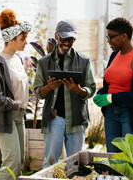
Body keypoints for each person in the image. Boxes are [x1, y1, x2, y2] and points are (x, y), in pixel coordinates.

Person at [33, 20, 96, 168]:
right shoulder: (43, 63)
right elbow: (38, 92)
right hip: (54, 118)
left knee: (75, 164)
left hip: (76, 119)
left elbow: (91, 88)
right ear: (56, 36)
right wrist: (48, 87)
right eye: (64, 39)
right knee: (50, 161)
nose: (67, 43)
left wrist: (78, 90)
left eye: (71, 39)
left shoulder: (84, 61)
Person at [93, 17, 133, 153]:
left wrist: (111, 98)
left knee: (131, 160)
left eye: (111, 37)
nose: (108, 41)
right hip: (110, 113)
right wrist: (101, 94)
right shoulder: (114, 56)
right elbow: (110, 85)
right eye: (107, 37)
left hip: (131, 115)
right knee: (113, 158)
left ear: (123, 36)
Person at [0, 9, 31, 179]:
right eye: (22, 39)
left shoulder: (17, 59)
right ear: (11, 40)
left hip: (19, 116)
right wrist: (13, 104)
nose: (26, 42)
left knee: (20, 161)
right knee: (11, 162)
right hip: (6, 117)